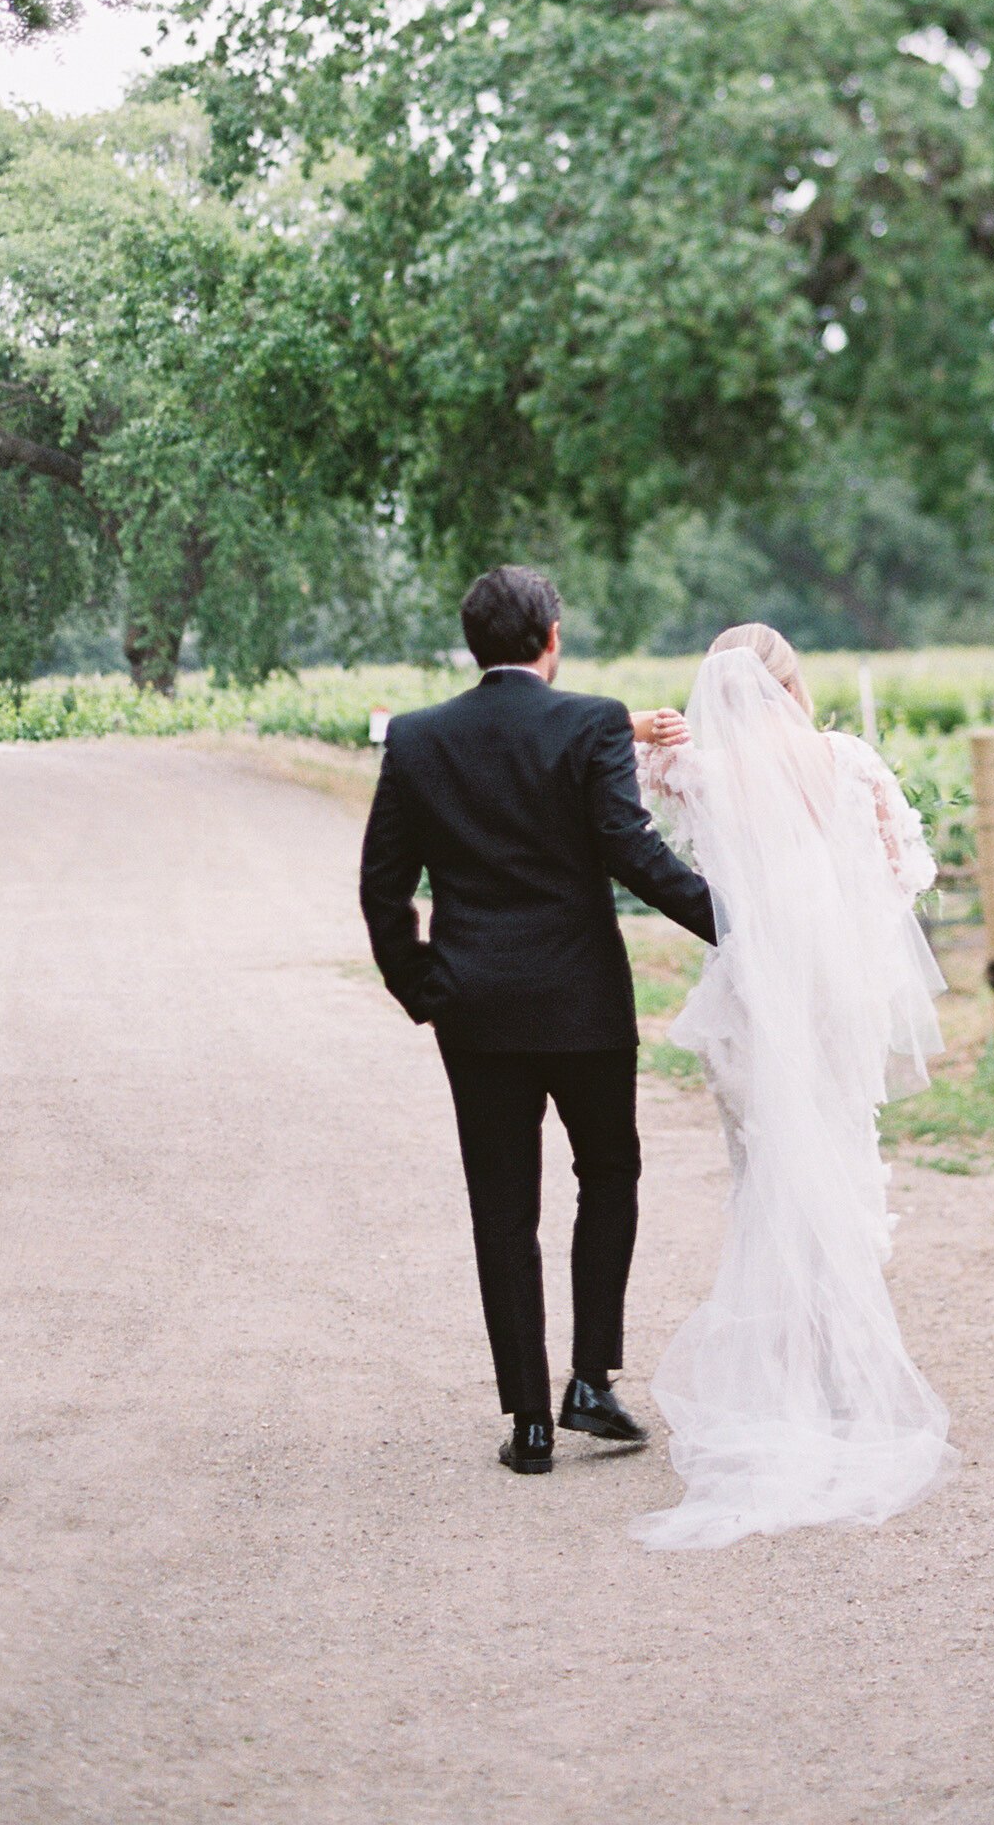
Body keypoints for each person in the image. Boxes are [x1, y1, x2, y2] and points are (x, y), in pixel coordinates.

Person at [358, 563, 719, 1474]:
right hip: (583, 1002)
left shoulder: (417, 739)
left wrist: (423, 987)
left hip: (472, 1012)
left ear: (472, 645)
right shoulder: (590, 719)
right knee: (608, 1173)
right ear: (551, 637)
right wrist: (738, 924)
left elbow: (382, 887)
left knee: (501, 1208)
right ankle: (589, 1379)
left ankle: (526, 1423)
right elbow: (629, 853)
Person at [626, 623, 954, 1550]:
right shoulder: (848, 759)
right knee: (841, 1154)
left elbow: (623, 792)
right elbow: (908, 867)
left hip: (755, 996)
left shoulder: (704, 770)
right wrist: (848, 930)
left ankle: (791, 1372)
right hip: (839, 991)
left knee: (766, 1173)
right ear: (790, 681)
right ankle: (847, 1377)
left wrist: (652, 732)